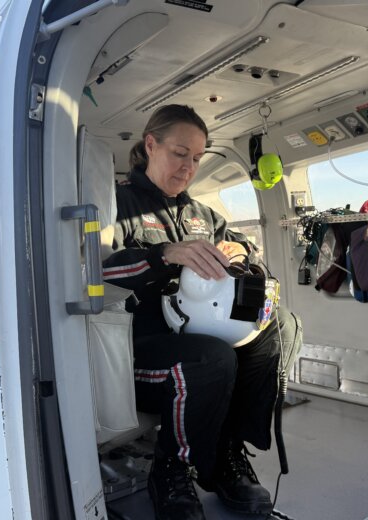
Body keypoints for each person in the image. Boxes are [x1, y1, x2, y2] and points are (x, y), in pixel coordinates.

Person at [102, 104, 302, 520]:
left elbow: (246, 248)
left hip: (200, 339)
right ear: (150, 144)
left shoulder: (203, 216)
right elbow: (99, 269)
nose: (188, 167)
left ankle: (226, 454)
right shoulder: (114, 206)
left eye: (196, 158)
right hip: (135, 353)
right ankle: (173, 468)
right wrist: (165, 254)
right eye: (180, 153)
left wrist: (240, 252)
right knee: (209, 359)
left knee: (282, 327)